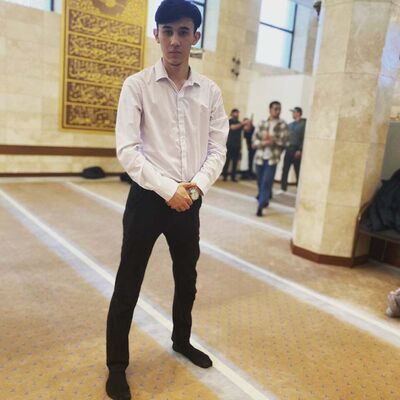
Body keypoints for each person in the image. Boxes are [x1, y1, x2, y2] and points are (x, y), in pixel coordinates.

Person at [105, 1, 229, 399]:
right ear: (156, 34)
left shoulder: (210, 92)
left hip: (189, 199)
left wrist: (194, 188)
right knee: (129, 281)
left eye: (183, 31)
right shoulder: (137, 85)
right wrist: (167, 189)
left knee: (186, 278)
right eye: (168, 31)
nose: (175, 40)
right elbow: (128, 150)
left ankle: (181, 339)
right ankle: (117, 366)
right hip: (147, 199)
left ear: (195, 37)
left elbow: (218, 148)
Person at [253, 101, 289, 217]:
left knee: (266, 182)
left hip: (272, 159)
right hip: (259, 157)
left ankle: (260, 206)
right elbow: (254, 140)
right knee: (260, 182)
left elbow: (285, 142)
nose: (277, 111)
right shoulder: (262, 123)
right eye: (275, 109)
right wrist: (264, 142)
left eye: (279, 109)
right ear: (270, 110)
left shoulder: (282, 125)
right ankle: (264, 198)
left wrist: (273, 141)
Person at [281, 107, 306, 191]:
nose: (293, 114)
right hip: (288, 149)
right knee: (285, 169)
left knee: (297, 170)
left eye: (294, 112)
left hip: (296, 150)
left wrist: (300, 150)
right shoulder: (290, 125)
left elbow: (304, 138)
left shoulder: (304, 124)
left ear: (299, 113)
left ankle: (299, 188)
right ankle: (283, 188)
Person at [222, 109, 244, 182]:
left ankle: (233, 177)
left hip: (237, 145)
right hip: (229, 144)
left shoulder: (239, 123)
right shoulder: (229, 121)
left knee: (235, 162)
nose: (237, 114)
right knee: (227, 161)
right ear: (232, 113)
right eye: (235, 113)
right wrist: (243, 123)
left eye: (238, 113)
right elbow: (232, 127)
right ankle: (224, 175)